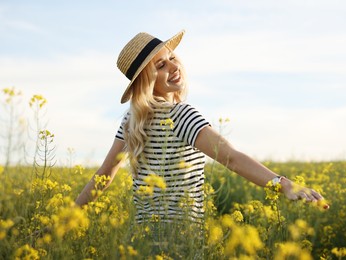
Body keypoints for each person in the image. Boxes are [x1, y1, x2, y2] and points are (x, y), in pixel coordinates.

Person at [75, 29, 327, 224]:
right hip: (180, 242)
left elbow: (103, 176)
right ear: (145, 81)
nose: (173, 67)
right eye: (160, 66)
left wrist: (63, 223)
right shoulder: (181, 115)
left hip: (142, 243)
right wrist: (283, 184)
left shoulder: (130, 123)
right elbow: (231, 158)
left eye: (171, 58)